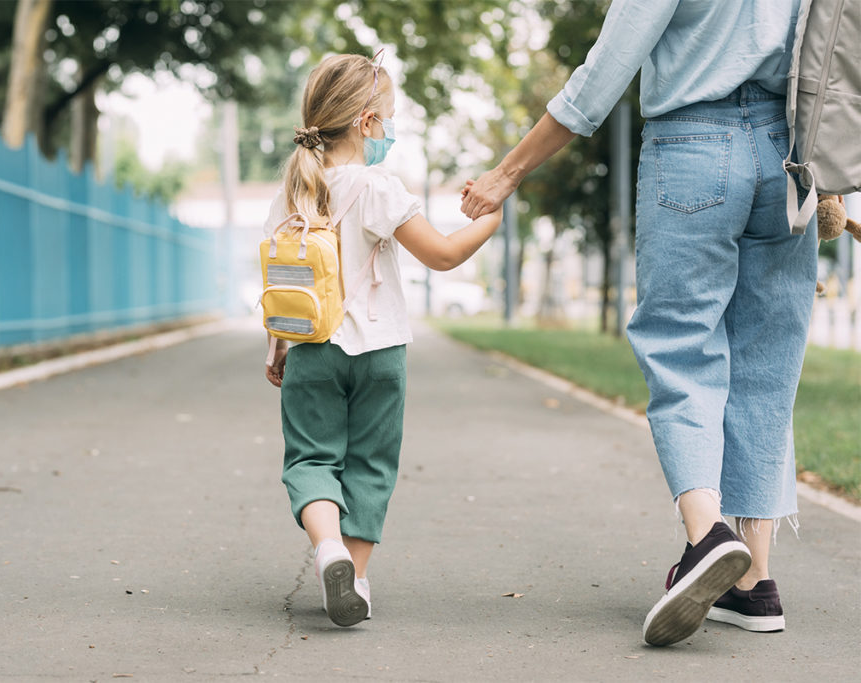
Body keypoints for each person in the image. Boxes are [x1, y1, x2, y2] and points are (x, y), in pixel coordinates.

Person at [461, 0, 817, 646]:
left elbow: (605, 71)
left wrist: (507, 171)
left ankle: (707, 534)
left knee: (681, 346)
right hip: (790, 157)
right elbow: (831, 55)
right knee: (766, 365)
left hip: (692, 148)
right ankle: (754, 584)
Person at [264, 51, 502, 627]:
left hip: (311, 349)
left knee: (312, 459)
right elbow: (443, 255)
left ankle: (327, 552)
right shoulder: (378, 187)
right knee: (370, 464)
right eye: (389, 117)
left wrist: (277, 347)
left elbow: (280, 277)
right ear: (367, 122)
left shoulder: (295, 189)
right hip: (380, 353)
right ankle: (358, 578)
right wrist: (491, 216)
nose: (392, 130)